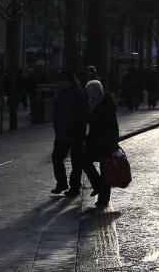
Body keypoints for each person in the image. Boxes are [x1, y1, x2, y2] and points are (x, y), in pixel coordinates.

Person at [82, 80, 119, 207]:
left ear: (97, 91)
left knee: (105, 170)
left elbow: (113, 125)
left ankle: (103, 200)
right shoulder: (89, 104)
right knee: (85, 162)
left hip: (105, 141)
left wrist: (114, 143)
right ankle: (98, 186)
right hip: (93, 140)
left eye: (90, 92)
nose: (88, 94)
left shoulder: (108, 104)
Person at [51, 69, 87, 197]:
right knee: (56, 158)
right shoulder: (61, 92)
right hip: (62, 131)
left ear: (70, 81)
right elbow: (57, 110)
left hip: (75, 132)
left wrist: (72, 126)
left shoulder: (79, 93)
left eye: (65, 81)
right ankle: (61, 183)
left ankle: (74, 187)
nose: (62, 83)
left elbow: (80, 114)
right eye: (61, 81)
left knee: (76, 161)